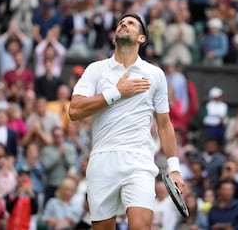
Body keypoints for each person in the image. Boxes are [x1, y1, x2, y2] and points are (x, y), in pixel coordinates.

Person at [69, 13, 185, 229]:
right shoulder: (96, 70)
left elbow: (164, 124)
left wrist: (174, 168)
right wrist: (116, 92)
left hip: (139, 161)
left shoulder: (155, 74)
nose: (123, 24)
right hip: (102, 160)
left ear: (141, 38)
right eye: (121, 23)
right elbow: (75, 110)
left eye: (131, 23)